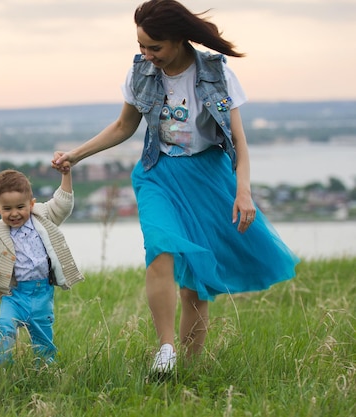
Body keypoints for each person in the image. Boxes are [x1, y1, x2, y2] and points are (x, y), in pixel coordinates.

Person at [52, 0, 299, 375]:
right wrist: (76, 154)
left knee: (194, 286)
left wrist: (243, 190)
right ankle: (165, 348)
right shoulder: (141, 74)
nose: (148, 55)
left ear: (180, 39)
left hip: (208, 178)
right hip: (158, 174)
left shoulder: (217, 74)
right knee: (160, 248)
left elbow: (238, 140)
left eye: (156, 47)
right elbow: (123, 126)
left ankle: (190, 369)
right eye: (141, 47)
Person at [0, 169, 84, 365]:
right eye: (7, 209)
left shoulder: (43, 217)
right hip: (14, 295)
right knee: (5, 325)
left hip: (42, 293)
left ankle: (46, 370)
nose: (14, 213)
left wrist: (66, 174)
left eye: (21, 207)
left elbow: (62, 205)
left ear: (32, 203)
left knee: (43, 338)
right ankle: (3, 368)